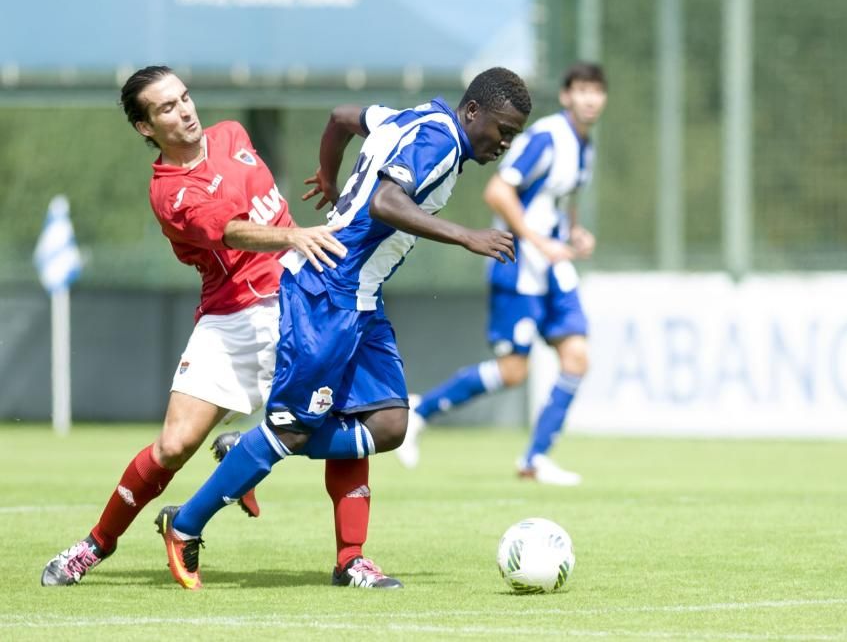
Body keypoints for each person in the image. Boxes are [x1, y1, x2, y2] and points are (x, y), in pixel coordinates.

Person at [155, 66, 532, 590]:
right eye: (503, 131)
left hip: (361, 297)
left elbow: (340, 118)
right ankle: (188, 524)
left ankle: (306, 508)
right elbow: (385, 202)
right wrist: (466, 236)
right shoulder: (441, 142)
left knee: (389, 424)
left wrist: (329, 178)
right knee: (293, 427)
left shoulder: (408, 117)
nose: (505, 144)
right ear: (472, 113)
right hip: (328, 293)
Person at [40, 66, 389, 590]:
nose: (185, 111)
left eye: (184, 98)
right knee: (173, 447)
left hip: (296, 303)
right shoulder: (171, 194)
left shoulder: (232, 135)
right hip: (231, 319)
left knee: (344, 416)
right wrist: (291, 237)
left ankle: (351, 560)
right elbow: (231, 230)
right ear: (145, 128)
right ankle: (93, 547)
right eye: (166, 108)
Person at [396, 63, 608, 486]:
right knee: (513, 372)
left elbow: (561, 201)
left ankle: (534, 459)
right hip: (520, 268)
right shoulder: (547, 137)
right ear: (566, 96)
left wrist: (574, 232)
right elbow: (498, 190)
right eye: (581, 90)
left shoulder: (585, 146)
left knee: (577, 358)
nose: (590, 99)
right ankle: (417, 412)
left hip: (553, 270)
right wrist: (536, 239)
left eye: (597, 92)